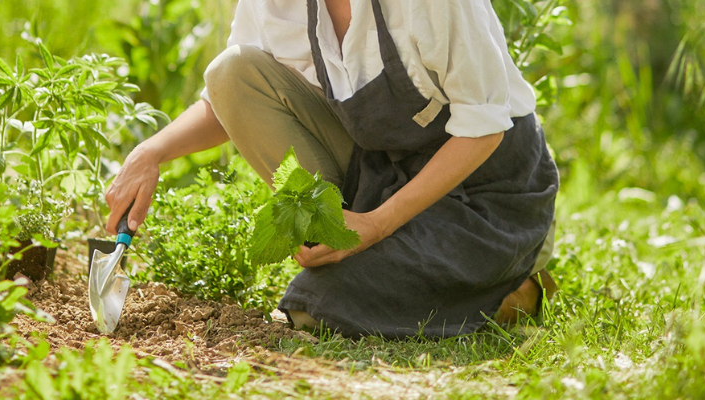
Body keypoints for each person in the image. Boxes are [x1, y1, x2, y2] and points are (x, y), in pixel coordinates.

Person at [104, 0, 559, 338]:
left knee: (314, 309)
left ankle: (513, 289)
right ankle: (354, 246)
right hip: (383, 169)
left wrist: (377, 226)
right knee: (232, 71)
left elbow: (483, 130)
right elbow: (232, 98)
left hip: (487, 191)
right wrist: (152, 152)